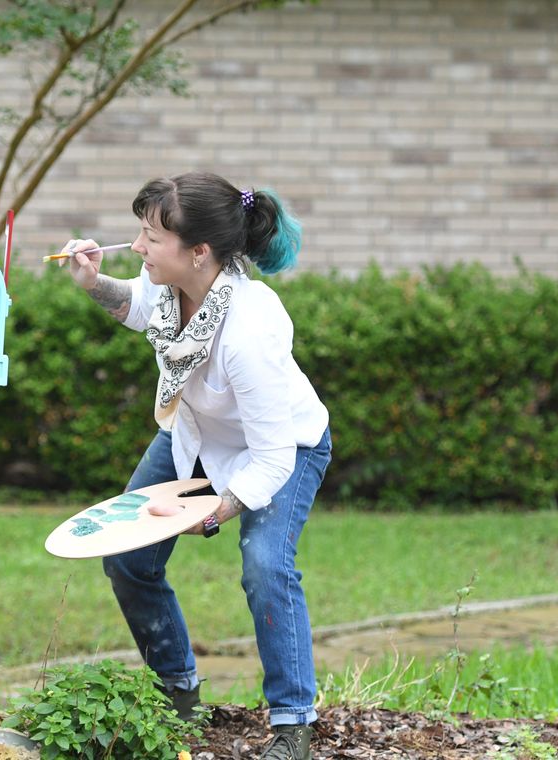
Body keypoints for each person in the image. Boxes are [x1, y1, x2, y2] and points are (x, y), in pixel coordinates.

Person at [57, 171, 332, 760]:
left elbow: (271, 456)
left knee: (265, 567)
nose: (136, 248)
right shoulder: (170, 286)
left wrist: (209, 512)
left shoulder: (250, 328)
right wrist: (90, 281)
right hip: (198, 437)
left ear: (199, 252)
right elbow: (135, 305)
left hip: (284, 448)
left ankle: (292, 725)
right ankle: (177, 692)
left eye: (151, 239)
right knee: (128, 555)